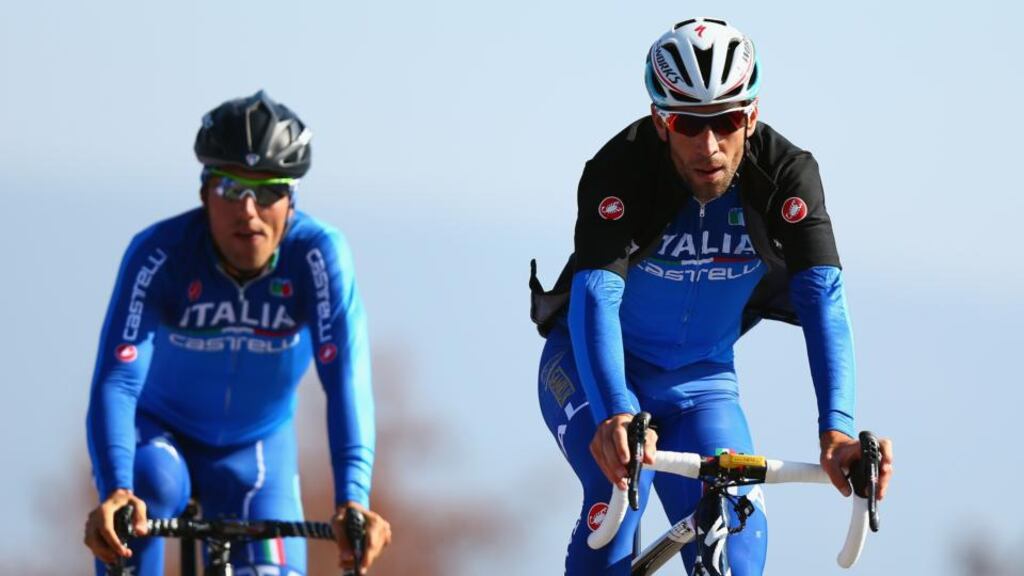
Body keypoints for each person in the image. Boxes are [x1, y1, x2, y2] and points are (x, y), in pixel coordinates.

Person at [530, 18, 894, 575]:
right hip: (591, 372)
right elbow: (596, 297)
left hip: (703, 386)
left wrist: (837, 431)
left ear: (750, 115)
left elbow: (825, 301)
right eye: (688, 124)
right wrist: (614, 413)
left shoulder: (786, 175)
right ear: (659, 120)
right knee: (620, 495)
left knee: (740, 543)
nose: (709, 147)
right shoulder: (619, 171)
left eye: (725, 122)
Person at [84, 91, 391, 576]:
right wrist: (116, 488)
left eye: (268, 190)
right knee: (145, 493)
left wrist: (353, 497)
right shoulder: (160, 254)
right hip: (160, 440)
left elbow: (346, 377)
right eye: (230, 187)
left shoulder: (317, 256)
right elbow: (118, 381)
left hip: (259, 452)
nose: (248, 209)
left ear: (291, 201)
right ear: (205, 193)